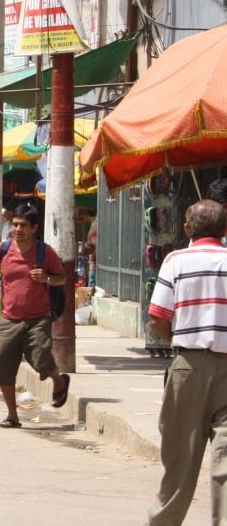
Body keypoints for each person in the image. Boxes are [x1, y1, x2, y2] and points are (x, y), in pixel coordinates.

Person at [146, 200, 227, 524]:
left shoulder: (176, 260)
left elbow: (157, 317)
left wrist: (177, 343)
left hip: (188, 366)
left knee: (180, 459)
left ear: (187, 228)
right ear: (224, 230)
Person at [0, 205, 69, 429]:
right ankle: (12, 415)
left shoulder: (45, 252)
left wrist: (47, 278)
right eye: (15, 224)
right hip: (8, 318)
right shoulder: (1, 250)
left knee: (41, 357)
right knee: (2, 365)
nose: (18, 229)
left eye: (23, 225)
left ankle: (59, 380)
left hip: (38, 318)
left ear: (34, 228)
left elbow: (61, 278)